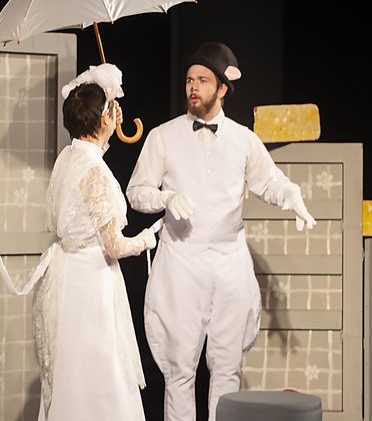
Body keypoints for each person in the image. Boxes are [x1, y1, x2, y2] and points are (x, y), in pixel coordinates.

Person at [126, 42, 317, 420]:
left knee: (227, 369)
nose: (193, 87)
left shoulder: (243, 139)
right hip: (181, 262)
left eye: (202, 80)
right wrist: (166, 197)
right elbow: (136, 192)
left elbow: (269, 181)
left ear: (223, 88)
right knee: (179, 371)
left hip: (229, 263)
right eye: (189, 80)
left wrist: (290, 194)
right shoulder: (163, 136)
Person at [32, 64, 156, 421]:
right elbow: (114, 245)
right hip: (91, 280)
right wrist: (146, 239)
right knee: (100, 362)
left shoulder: (67, 157)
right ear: (104, 118)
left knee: (73, 362)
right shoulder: (96, 171)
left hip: (69, 276)